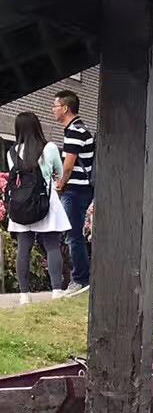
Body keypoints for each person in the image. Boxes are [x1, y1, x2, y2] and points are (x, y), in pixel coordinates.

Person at [5, 112, 72, 304]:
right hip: (45, 203)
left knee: (23, 248)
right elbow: (59, 172)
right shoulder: (49, 147)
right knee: (52, 246)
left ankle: (24, 295)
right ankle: (56, 290)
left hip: (21, 205)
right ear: (37, 126)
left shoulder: (12, 152)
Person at [52, 89, 94, 294]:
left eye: (55, 106)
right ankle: (82, 277)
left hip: (75, 190)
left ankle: (80, 279)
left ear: (65, 108)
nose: (53, 110)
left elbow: (68, 165)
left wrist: (60, 184)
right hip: (78, 189)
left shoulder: (75, 131)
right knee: (73, 234)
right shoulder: (77, 129)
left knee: (73, 235)